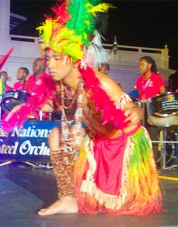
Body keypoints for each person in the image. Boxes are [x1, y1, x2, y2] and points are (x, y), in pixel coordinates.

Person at [32, 0, 162, 216]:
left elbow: (133, 111)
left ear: (74, 59)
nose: (50, 65)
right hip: (97, 140)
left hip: (122, 146)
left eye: (57, 58)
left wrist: (136, 111)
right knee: (56, 134)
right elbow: (52, 106)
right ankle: (67, 198)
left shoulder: (100, 83)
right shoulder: (61, 87)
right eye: (48, 59)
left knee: (120, 208)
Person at [134, 56, 166, 166]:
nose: (140, 67)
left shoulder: (157, 78)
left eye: (142, 64)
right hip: (142, 109)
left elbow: (163, 94)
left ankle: (153, 163)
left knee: (153, 136)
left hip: (153, 110)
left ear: (149, 65)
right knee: (142, 135)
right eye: (140, 64)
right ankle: (142, 161)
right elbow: (138, 94)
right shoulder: (139, 80)